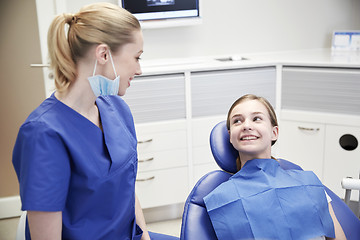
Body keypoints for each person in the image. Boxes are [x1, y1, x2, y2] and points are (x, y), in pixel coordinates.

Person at [12, 3, 178, 240]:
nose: (139, 70)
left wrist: (145, 237)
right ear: (103, 54)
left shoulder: (117, 108)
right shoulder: (43, 134)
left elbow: (127, 189)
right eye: (136, 58)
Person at [203, 94, 347, 240]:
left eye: (256, 118)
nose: (246, 125)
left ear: (274, 133)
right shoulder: (221, 201)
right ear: (230, 137)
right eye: (237, 121)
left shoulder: (309, 184)